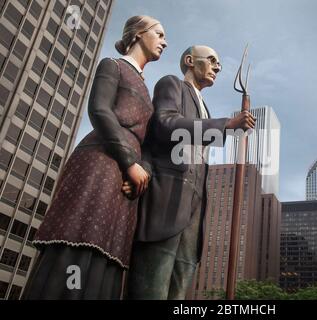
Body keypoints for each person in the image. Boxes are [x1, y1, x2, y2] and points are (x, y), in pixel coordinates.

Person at [22, 15, 167, 300]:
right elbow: (100, 111)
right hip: (98, 164)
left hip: (126, 180)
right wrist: (129, 163)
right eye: (159, 34)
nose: (165, 41)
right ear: (138, 34)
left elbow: (148, 142)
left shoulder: (146, 90)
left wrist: (142, 170)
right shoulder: (112, 65)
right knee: (81, 236)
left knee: (109, 251)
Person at [125, 45, 256, 299]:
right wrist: (226, 124)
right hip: (166, 202)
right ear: (190, 61)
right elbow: (165, 124)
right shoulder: (171, 84)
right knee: (152, 287)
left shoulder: (203, 106)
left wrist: (227, 129)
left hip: (194, 211)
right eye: (212, 60)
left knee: (179, 289)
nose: (218, 67)